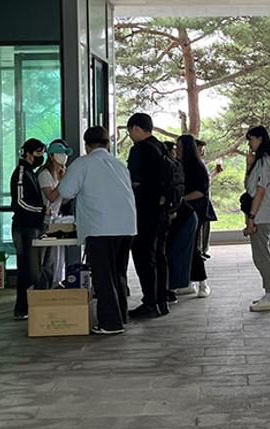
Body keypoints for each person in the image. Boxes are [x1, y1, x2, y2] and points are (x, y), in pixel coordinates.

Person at [57, 126, 136, 335]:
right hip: (126, 227)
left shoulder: (82, 163)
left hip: (100, 228)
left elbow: (66, 191)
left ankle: (110, 323)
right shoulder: (119, 165)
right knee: (118, 274)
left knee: (103, 277)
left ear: (86, 145)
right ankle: (121, 316)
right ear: (108, 144)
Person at [126, 112, 172, 319]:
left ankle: (150, 302)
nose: (130, 136)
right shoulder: (162, 147)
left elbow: (134, 181)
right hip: (163, 211)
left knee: (144, 256)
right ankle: (162, 300)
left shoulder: (139, 149)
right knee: (160, 255)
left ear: (136, 128)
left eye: (130, 132)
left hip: (145, 210)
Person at [9, 138, 46, 320]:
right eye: (38, 153)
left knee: (32, 269)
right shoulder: (22, 173)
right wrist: (41, 211)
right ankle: (22, 308)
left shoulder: (30, 172)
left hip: (31, 226)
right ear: (28, 154)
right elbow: (20, 202)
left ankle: (28, 307)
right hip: (24, 227)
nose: (41, 157)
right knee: (27, 269)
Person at [244, 125, 270, 312]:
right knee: (259, 255)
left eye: (251, 139)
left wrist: (252, 217)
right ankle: (268, 293)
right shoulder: (259, 161)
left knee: (262, 256)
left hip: (261, 214)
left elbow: (260, 191)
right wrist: (248, 166)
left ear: (260, 139)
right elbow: (249, 187)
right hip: (258, 213)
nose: (249, 143)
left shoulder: (265, 161)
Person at [172, 134, 210, 297]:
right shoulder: (179, 165)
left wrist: (181, 198)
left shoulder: (198, 167)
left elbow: (200, 192)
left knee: (193, 247)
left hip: (195, 210)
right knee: (184, 246)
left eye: (180, 147)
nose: (177, 150)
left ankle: (203, 283)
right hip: (183, 211)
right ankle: (188, 281)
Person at [37, 138, 73, 288]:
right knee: (45, 258)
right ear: (51, 156)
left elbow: (61, 201)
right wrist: (62, 183)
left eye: (65, 154)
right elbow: (51, 197)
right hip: (44, 220)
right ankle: (43, 287)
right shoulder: (44, 175)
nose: (63, 157)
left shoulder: (59, 174)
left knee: (55, 257)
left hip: (55, 218)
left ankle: (55, 282)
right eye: (60, 154)